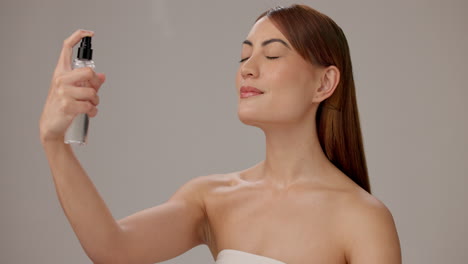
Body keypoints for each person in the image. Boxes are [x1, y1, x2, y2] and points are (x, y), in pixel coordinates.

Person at [39, 4, 401, 264]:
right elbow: (113, 249)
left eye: (272, 56)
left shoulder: (363, 220)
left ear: (325, 83)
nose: (248, 70)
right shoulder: (212, 198)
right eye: (244, 58)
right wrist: (54, 143)